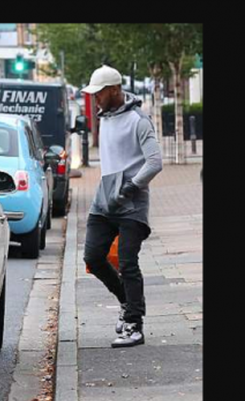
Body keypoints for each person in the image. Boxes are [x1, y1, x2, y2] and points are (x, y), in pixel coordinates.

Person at [80, 65, 163, 348]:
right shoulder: (105, 119)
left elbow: (154, 162)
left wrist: (131, 186)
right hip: (104, 200)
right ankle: (127, 303)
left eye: (99, 93)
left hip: (132, 204)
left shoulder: (139, 120)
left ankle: (134, 326)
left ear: (114, 89)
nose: (95, 99)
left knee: (128, 263)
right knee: (93, 258)